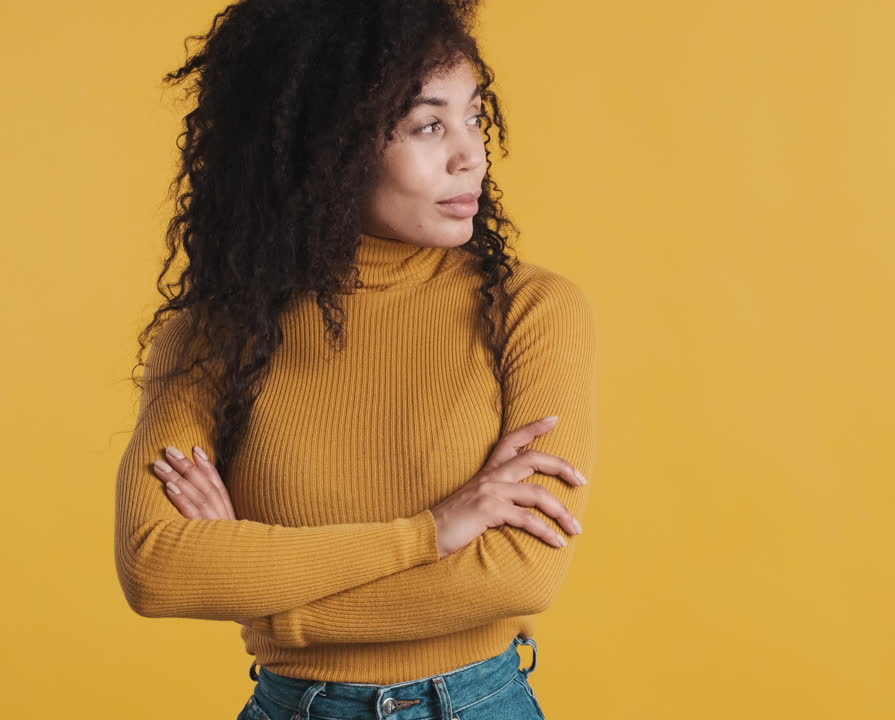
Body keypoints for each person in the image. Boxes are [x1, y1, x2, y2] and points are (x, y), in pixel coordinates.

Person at [113, 1, 598, 718]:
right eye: (429, 124)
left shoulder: (530, 311)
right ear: (329, 145)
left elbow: (520, 575)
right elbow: (158, 567)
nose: (472, 153)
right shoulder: (211, 337)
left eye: (473, 115)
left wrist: (277, 613)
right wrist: (431, 533)